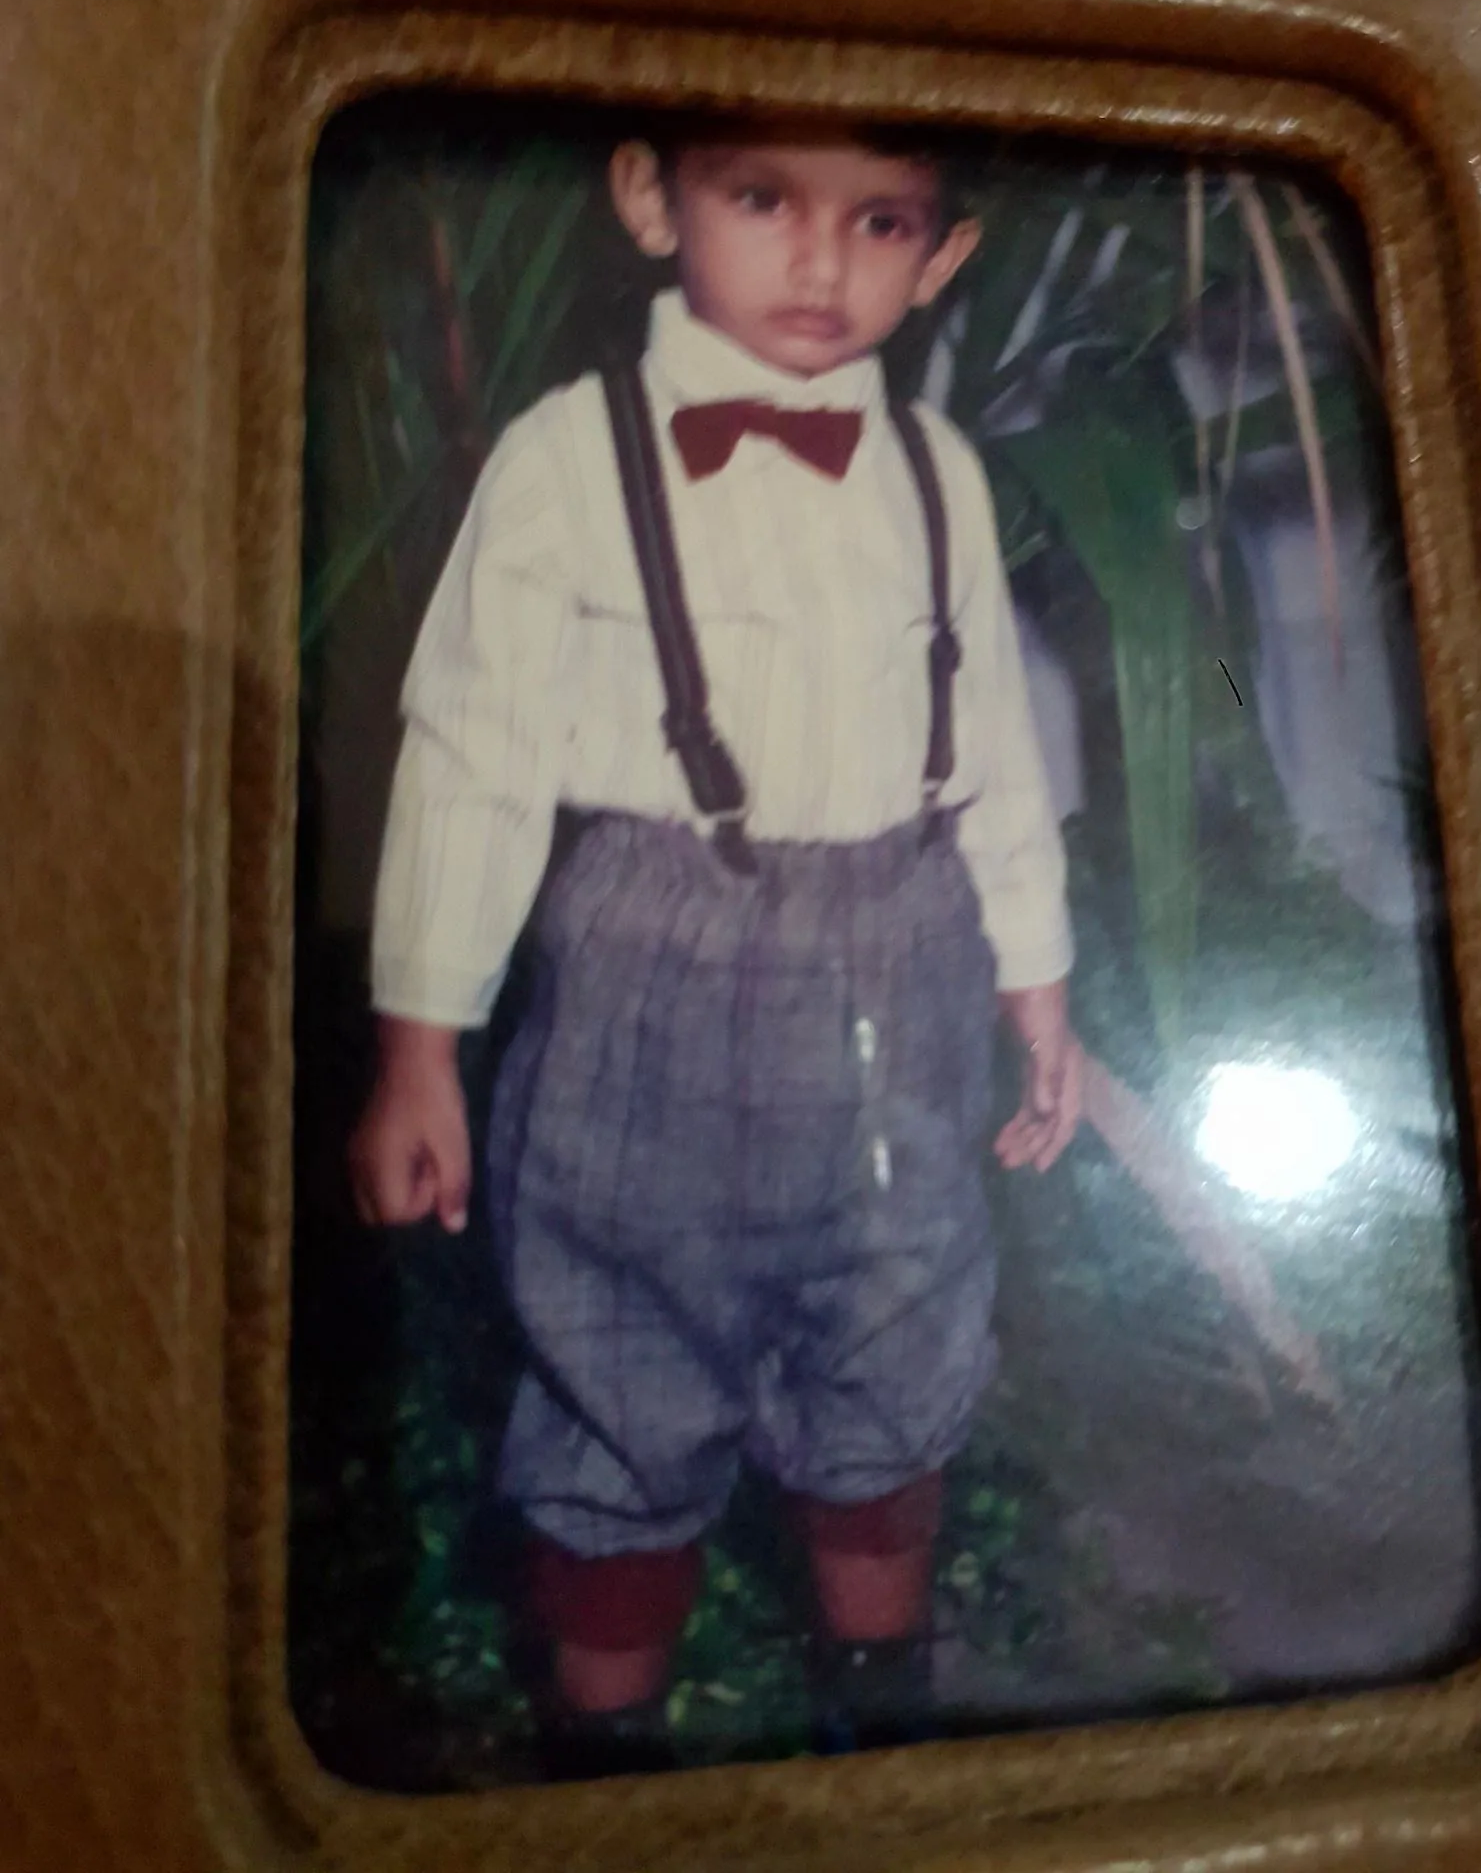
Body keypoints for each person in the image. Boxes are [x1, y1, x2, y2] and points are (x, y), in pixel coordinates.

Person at [349, 118, 1082, 1772]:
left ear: (943, 256)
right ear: (648, 198)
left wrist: (1037, 984)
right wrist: (419, 1050)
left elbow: (993, 755)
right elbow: (471, 761)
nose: (820, 262)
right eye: (764, 199)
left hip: (903, 972)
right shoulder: (566, 461)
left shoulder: (938, 473)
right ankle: (608, 1757)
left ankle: (878, 1701)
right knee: (617, 1363)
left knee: (898, 1333)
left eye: (880, 221)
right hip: (649, 982)